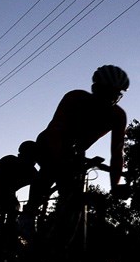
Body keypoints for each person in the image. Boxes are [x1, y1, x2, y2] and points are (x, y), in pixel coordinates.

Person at [18, 65, 130, 235]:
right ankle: (29, 212)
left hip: (75, 152)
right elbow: (57, 131)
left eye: (115, 94)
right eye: (106, 93)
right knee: (50, 170)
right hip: (51, 141)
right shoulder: (75, 98)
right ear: (95, 89)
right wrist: (60, 162)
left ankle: (62, 236)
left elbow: (117, 152)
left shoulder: (118, 116)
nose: (109, 99)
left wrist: (115, 185)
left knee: (72, 202)